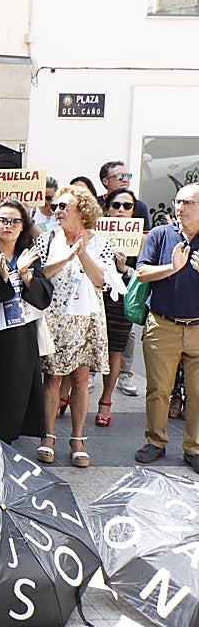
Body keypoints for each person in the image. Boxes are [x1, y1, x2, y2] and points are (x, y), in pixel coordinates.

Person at [35, 183, 112, 468]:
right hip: (54, 317)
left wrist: (81, 253)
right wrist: (66, 256)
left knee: (80, 379)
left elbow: (101, 280)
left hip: (86, 320)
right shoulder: (46, 240)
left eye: (63, 206)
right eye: (55, 206)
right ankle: (48, 436)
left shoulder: (100, 242)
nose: (57, 211)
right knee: (52, 377)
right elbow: (40, 274)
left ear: (82, 210)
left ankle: (78, 439)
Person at [0, 198, 52, 444]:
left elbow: (44, 297)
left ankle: (6, 444)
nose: (8, 225)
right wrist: (1, 279)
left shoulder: (29, 255)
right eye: (3, 220)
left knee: (14, 395)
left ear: (23, 226)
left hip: (20, 338)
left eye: (15, 221)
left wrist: (26, 276)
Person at [133, 183, 199, 470]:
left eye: (188, 202)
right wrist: (172, 268)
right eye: (177, 201)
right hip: (163, 325)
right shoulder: (160, 234)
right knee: (159, 389)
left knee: (198, 392)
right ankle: (156, 441)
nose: (180, 207)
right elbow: (141, 272)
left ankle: (193, 448)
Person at [96, 187, 139, 426]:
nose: (121, 210)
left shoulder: (140, 238)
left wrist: (125, 270)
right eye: (116, 205)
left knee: (115, 350)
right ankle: (67, 395)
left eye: (127, 206)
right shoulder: (95, 235)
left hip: (121, 300)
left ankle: (105, 400)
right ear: (107, 209)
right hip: (96, 295)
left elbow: (144, 273)